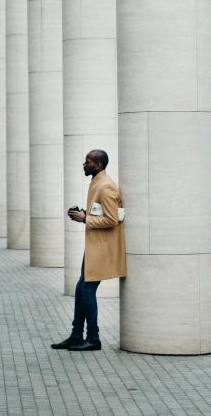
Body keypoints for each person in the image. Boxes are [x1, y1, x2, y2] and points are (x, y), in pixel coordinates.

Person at [51, 149, 126, 352]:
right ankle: (77, 335)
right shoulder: (97, 183)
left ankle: (93, 338)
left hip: (102, 247)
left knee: (86, 290)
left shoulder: (106, 186)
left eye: (89, 161)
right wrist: (83, 214)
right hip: (94, 246)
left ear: (99, 165)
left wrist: (85, 219)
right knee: (81, 288)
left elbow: (112, 220)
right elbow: (100, 213)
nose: (84, 164)